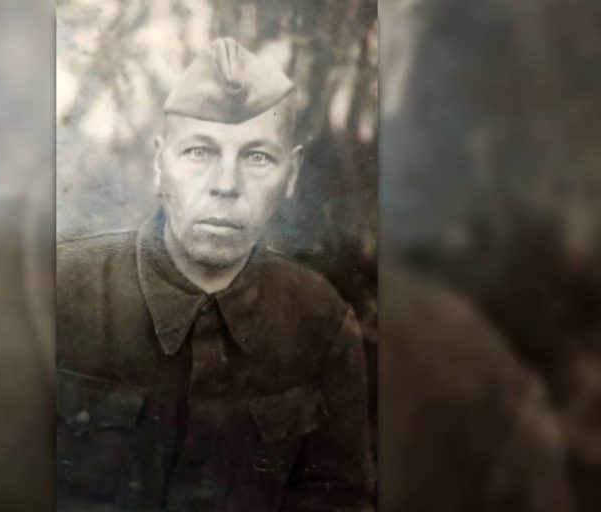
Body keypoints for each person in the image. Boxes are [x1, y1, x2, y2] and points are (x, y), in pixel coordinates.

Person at [56, 38, 374, 511]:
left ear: (291, 174)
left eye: (257, 157)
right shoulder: (61, 292)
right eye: (199, 152)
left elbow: (338, 498)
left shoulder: (321, 321)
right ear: (159, 163)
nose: (226, 185)